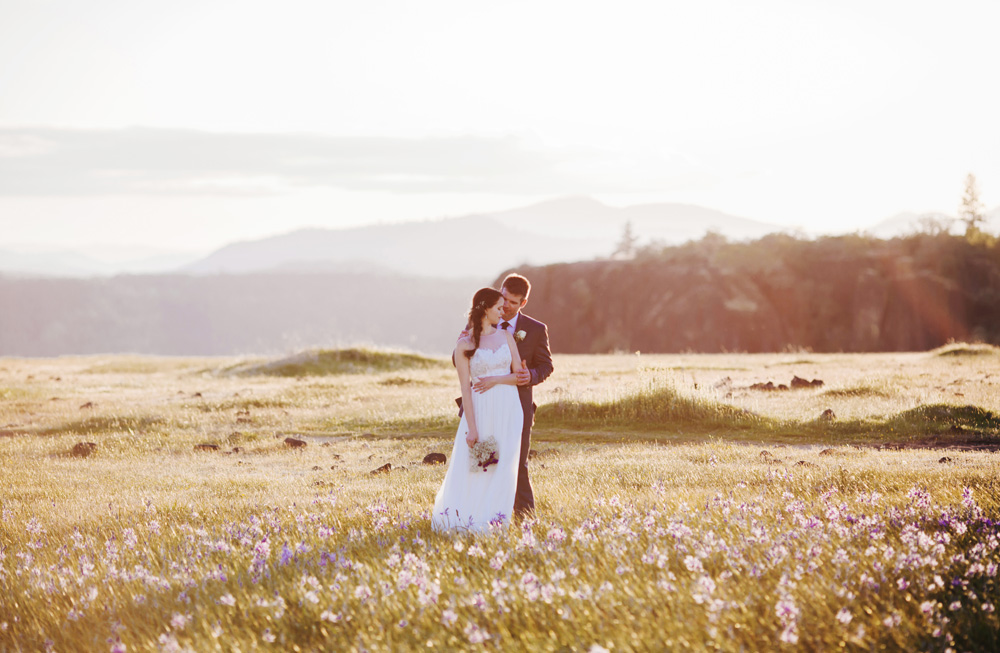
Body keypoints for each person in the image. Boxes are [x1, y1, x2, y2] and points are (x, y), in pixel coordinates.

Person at [432, 288, 525, 533]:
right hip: (481, 409)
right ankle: (472, 517)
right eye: (498, 307)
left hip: (508, 408)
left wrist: (496, 380)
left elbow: (519, 376)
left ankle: (497, 521)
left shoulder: (507, 337)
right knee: (480, 465)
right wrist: (472, 428)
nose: (502, 311)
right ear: (485, 308)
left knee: (503, 465)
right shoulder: (464, 344)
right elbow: (465, 388)